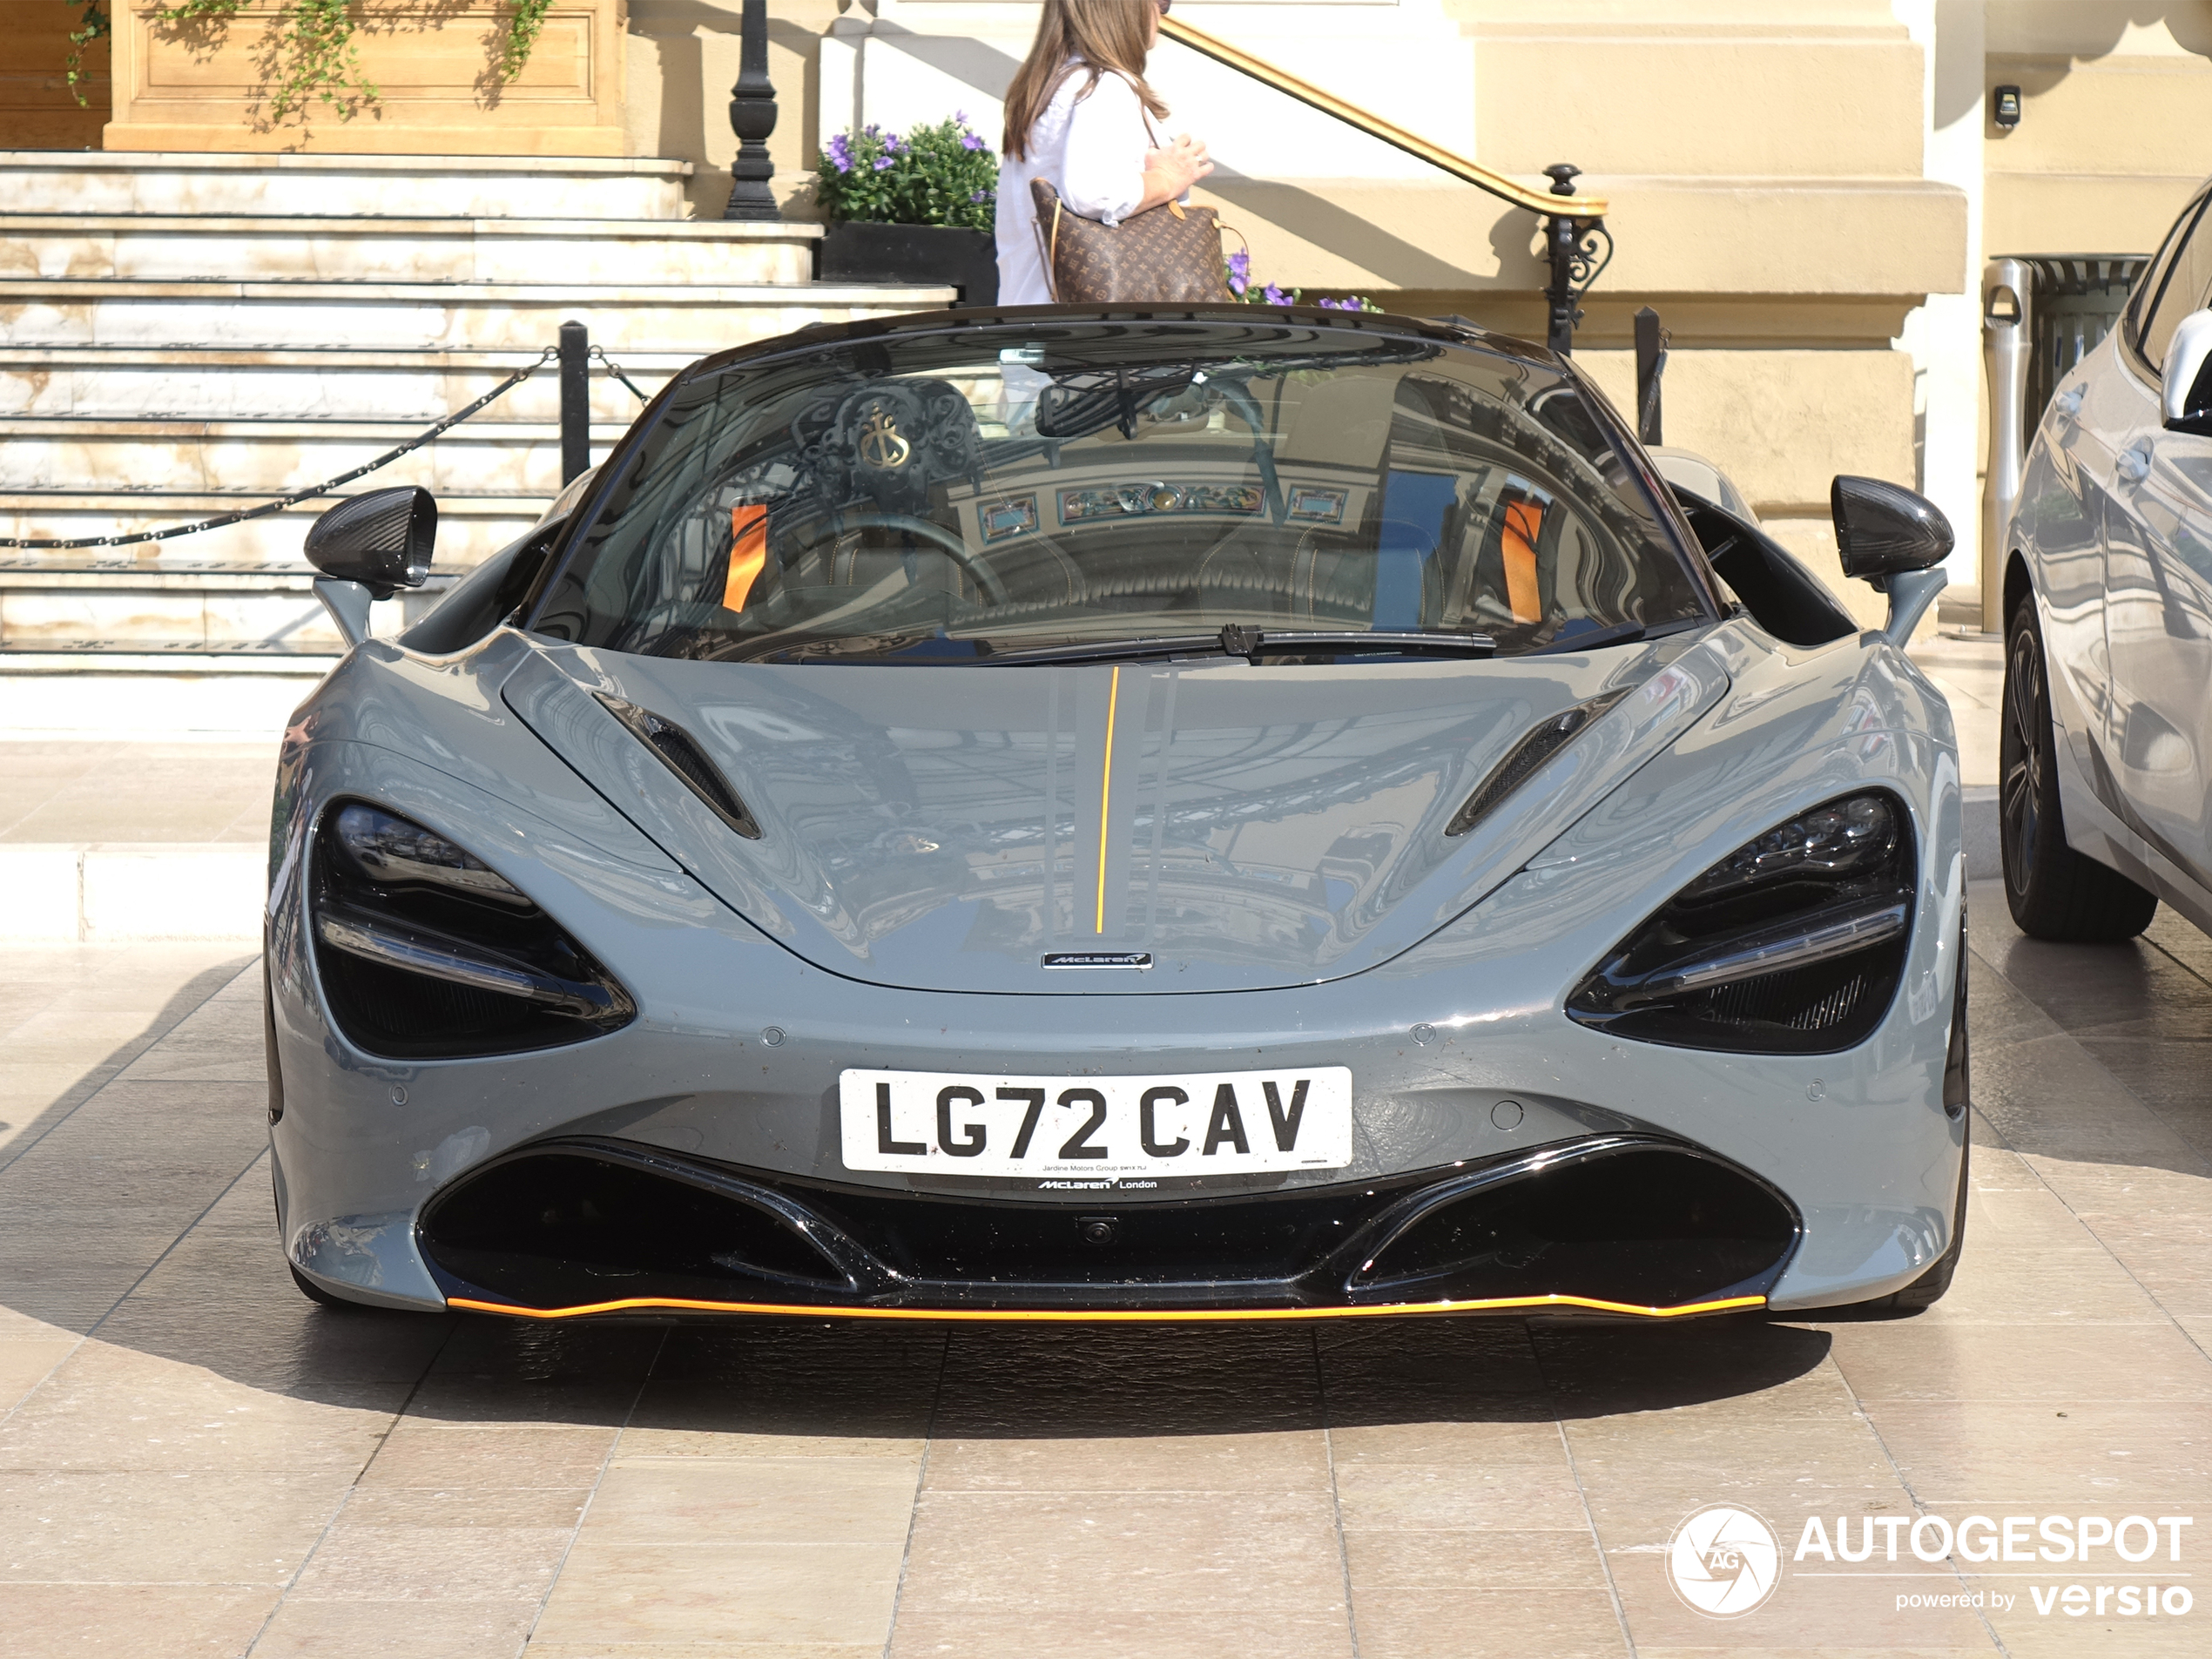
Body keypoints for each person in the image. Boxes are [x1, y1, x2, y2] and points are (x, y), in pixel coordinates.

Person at [995, 0, 1214, 307]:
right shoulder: (1102, 86)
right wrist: (1167, 178)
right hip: (1096, 334)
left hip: (1033, 312)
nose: (1163, 12)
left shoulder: (1044, 90)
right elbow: (1093, 193)